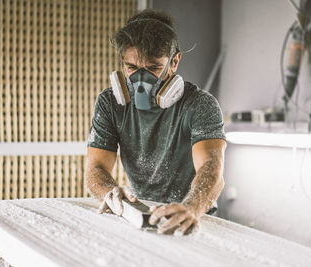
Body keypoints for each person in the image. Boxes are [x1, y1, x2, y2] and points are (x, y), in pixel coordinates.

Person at [86, 9, 226, 236]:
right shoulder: (110, 103)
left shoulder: (200, 105)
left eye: (153, 68)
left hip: (195, 214)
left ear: (175, 61)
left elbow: (212, 168)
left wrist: (191, 207)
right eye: (131, 68)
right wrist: (109, 192)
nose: (142, 81)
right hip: (143, 213)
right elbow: (96, 168)